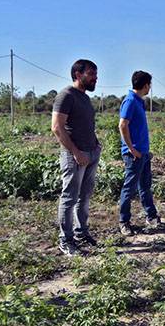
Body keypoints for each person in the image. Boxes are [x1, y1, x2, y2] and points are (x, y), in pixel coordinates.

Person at [52, 59, 101, 256]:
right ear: (78, 74)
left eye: (96, 74)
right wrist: (75, 152)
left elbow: (85, 125)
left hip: (90, 152)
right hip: (75, 155)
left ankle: (81, 233)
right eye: (91, 74)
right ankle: (66, 240)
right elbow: (57, 127)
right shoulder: (66, 95)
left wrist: (96, 144)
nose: (95, 78)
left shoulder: (85, 98)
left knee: (85, 196)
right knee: (69, 197)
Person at [118, 70, 162, 236]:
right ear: (145, 85)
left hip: (142, 153)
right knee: (129, 188)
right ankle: (124, 221)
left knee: (145, 186)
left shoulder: (139, 101)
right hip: (134, 155)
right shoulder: (130, 101)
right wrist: (131, 149)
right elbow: (123, 125)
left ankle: (151, 216)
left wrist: (144, 151)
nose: (150, 87)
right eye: (149, 84)